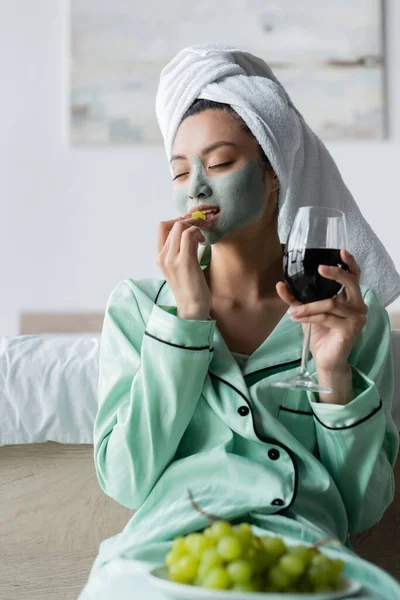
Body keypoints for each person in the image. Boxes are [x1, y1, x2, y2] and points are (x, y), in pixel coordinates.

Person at [77, 46, 400, 599]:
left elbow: (363, 506)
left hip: (304, 549)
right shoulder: (136, 307)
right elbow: (127, 480)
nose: (195, 187)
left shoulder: (346, 310)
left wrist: (334, 372)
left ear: (273, 170)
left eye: (221, 162)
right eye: (180, 171)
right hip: (164, 550)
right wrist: (185, 320)